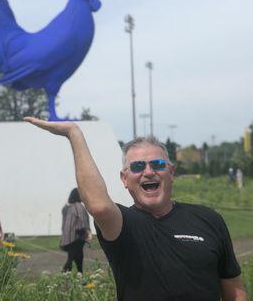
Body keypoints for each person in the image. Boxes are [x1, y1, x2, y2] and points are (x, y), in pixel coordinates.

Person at [24, 117, 247, 301]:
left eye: (157, 164)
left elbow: (234, 288)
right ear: (125, 178)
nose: (148, 172)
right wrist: (74, 134)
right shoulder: (124, 224)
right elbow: (98, 205)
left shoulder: (209, 219)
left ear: (171, 173)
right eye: (138, 166)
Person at [60, 187, 92, 274]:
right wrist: (88, 233)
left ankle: (80, 277)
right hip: (77, 237)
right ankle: (65, 276)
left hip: (68, 237)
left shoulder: (67, 208)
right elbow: (83, 221)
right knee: (73, 258)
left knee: (78, 257)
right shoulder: (78, 206)